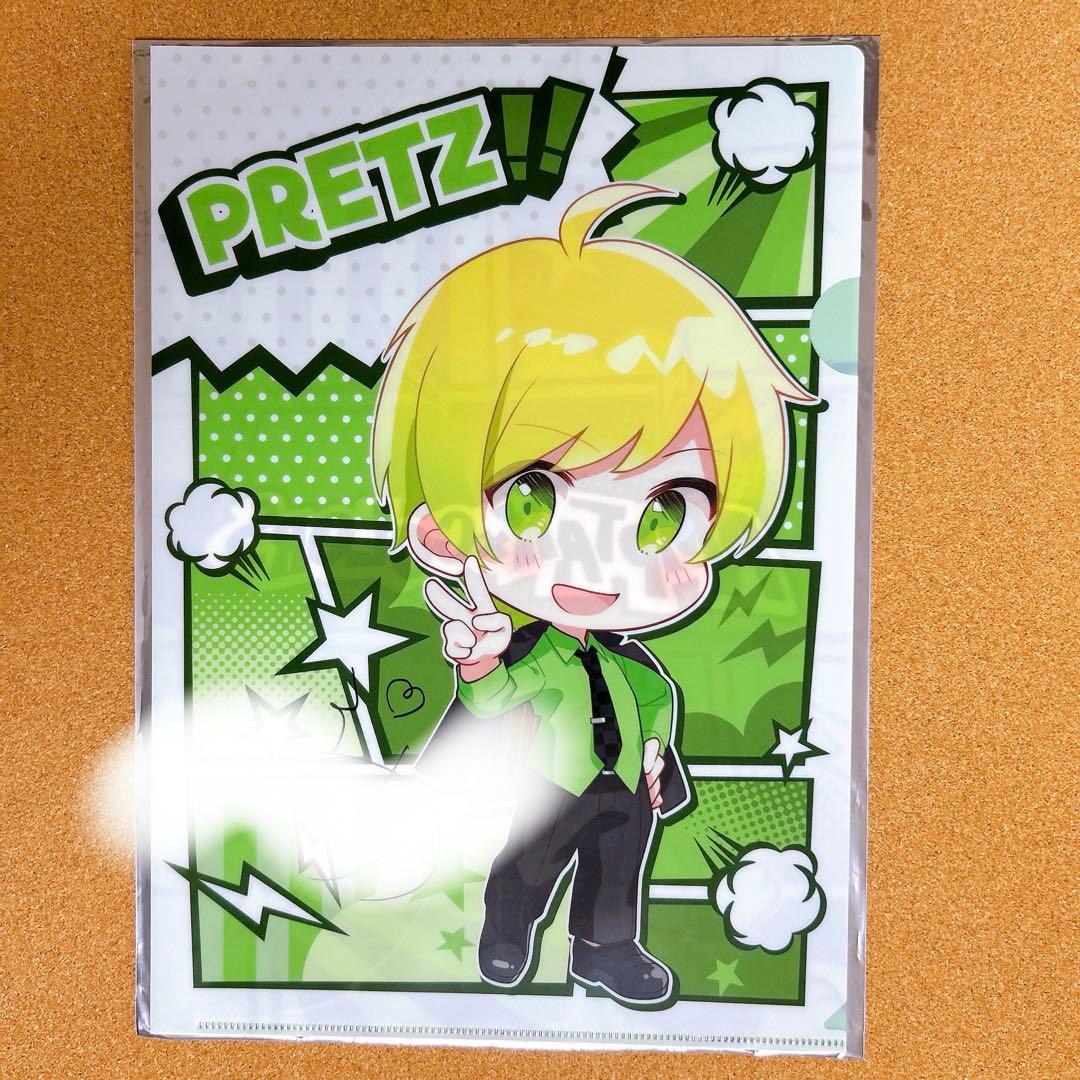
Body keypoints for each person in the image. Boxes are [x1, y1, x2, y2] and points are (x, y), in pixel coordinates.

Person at [371, 183, 814, 1004]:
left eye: (663, 515)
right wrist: (479, 663)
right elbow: (497, 697)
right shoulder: (538, 656)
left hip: (622, 790)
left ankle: (605, 949)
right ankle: (508, 932)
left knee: (619, 866)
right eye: (532, 499)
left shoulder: (636, 668)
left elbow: (656, 703)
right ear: (442, 528)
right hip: (552, 783)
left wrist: (655, 758)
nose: (599, 558)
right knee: (528, 863)